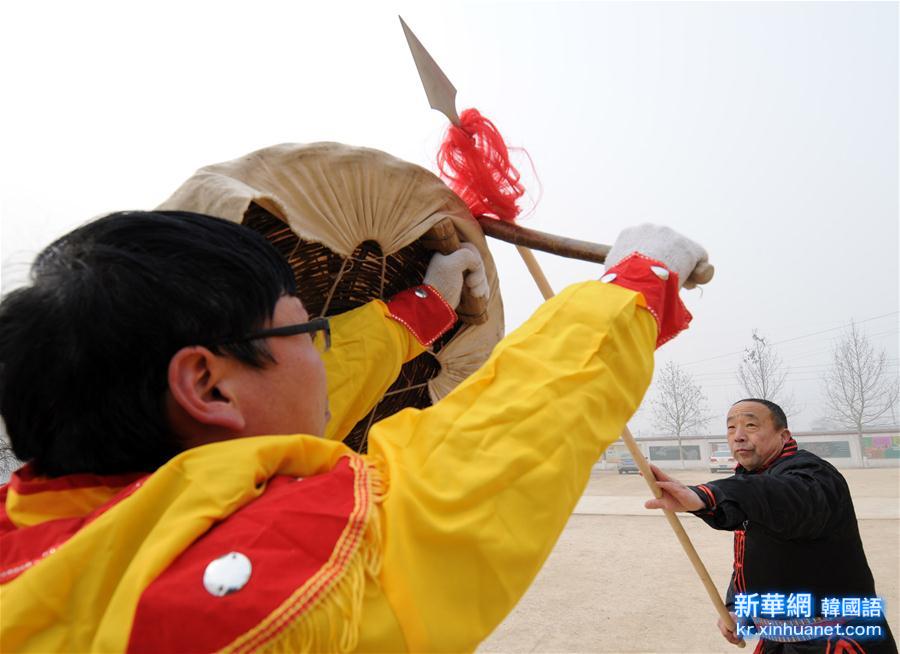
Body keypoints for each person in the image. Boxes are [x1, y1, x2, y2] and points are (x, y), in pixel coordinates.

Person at [0, 211, 706, 652]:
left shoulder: (33, 536)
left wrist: (420, 313)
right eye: (309, 327)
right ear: (207, 384)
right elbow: (502, 437)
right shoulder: (289, 571)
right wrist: (636, 289)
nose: (321, 349)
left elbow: (278, 404)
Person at [646, 399, 897, 653]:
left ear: (783, 435)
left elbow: (780, 499)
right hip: (779, 641)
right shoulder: (750, 480)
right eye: (731, 428)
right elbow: (756, 556)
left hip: (836, 641)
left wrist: (708, 496)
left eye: (751, 425)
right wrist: (737, 609)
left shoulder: (812, 475)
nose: (738, 437)